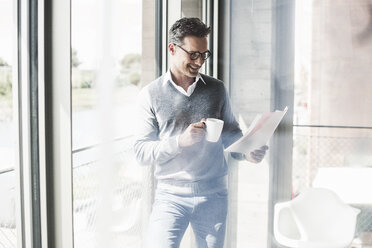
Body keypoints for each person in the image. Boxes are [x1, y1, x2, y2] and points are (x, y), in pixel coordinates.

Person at [134, 17, 268, 248]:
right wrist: (180, 142)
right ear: (172, 49)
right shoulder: (150, 94)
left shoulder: (217, 89)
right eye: (193, 54)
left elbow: (232, 134)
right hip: (170, 197)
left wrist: (247, 152)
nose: (199, 62)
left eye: (204, 55)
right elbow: (141, 152)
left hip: (213, 195)